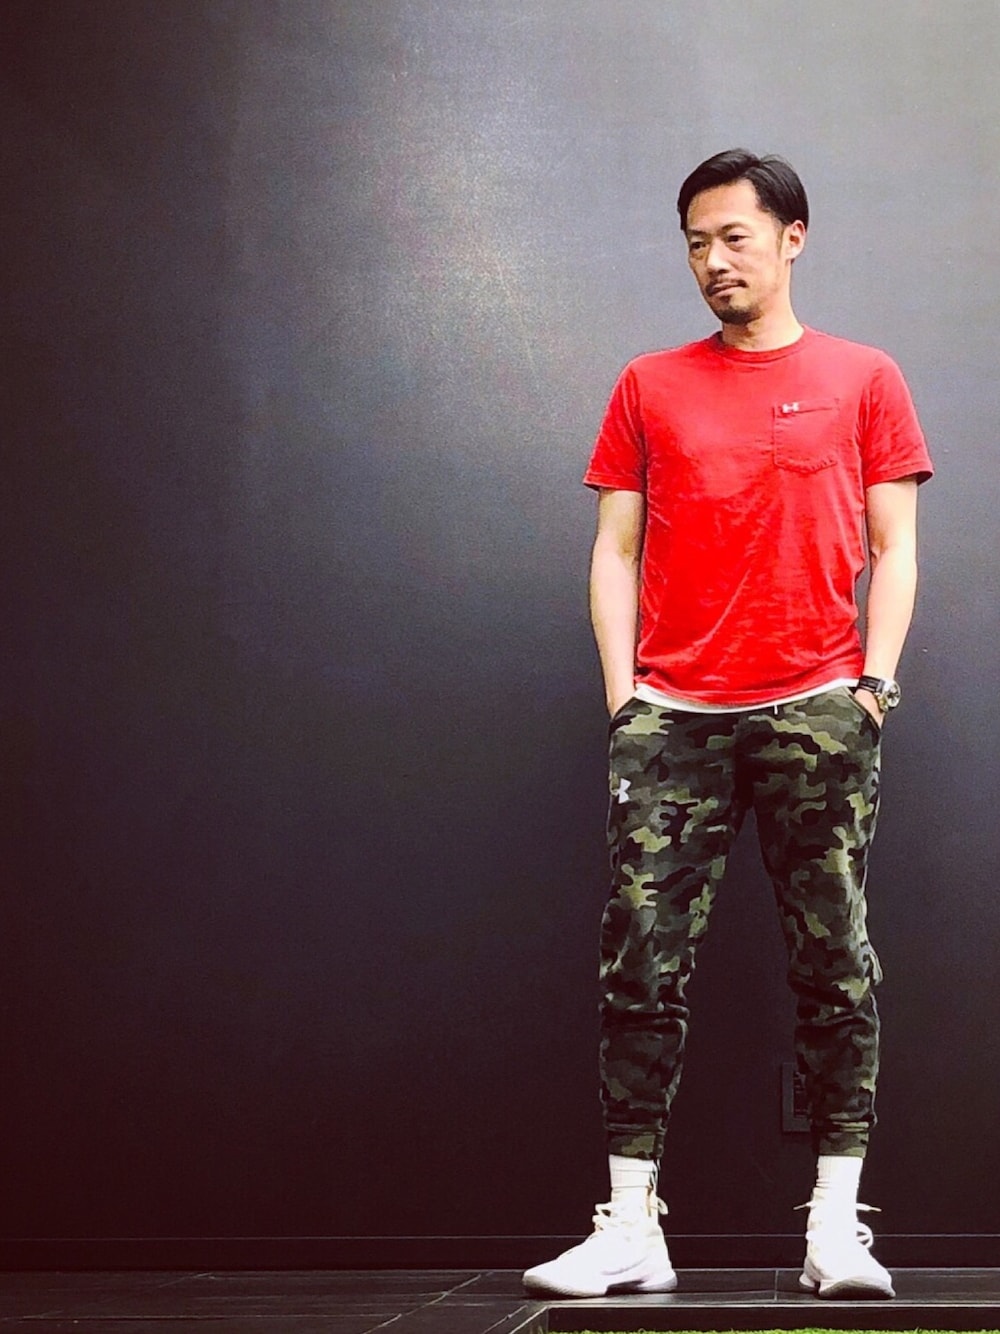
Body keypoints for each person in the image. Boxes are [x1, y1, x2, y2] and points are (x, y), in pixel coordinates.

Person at [523, 149, 933, 1303]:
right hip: (675, 718)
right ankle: (629, 1227)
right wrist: (626, 699)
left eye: (734, 237)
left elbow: (896, 546)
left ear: (792, 236)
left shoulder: (864, 377)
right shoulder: (648, 384)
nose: (712, 260)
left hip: (815, 711)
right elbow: (613, 550)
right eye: (695, 242)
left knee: (836, 965)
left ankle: (835, 1228)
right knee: (639, 964)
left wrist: (872, 687)